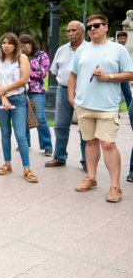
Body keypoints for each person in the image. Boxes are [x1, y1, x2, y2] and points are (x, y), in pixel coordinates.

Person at [70, 14, 133, 203]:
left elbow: (130, 74)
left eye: (96, 25)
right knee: (89, 142)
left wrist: (109, 77)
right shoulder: (82, 50)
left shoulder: (118, 49)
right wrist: (71, 97)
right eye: (89, 27)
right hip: (84, 105)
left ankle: (115, 187)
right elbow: (72, 74)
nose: (92, 29)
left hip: (107, 106)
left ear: (106, 27)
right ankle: (91, 177)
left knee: (108, 145)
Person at [0, 33, 38, 183]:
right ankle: (7, 163)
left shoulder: (21, 58)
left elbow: (24, 79)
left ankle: (27, 169)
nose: (5, 45)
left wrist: (5, 90)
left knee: (20, 135)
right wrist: (3, 96)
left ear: (15, 45)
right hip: (0, 99)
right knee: (5, 132)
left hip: (18, 99)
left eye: (9, 43)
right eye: (3, 43)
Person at [46, 21, 87, 169]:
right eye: (68, 31)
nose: (70, 33)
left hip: (84, 91)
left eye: (74, 30)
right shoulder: (61, 50)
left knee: (85, 127)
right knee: (60, 125)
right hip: (62, 90)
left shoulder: (90, 49)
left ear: (82, 31)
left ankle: (87, 161)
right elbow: (55, 71)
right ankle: (59, 156)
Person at [19, 34, 53, 157]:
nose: (24, 48)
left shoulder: (42, 55)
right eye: (21, 46)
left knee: (40, 118)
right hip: (21, 90)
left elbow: (42, 73)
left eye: (26, 45)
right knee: (22, 118)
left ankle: (47, 146)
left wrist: (25, 71)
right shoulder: (18, 57)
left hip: (36, 91)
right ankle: (25, 143)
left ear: (32, 44)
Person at [116, 31, 132, 110]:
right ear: (117, 39)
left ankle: (131, 112)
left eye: (124, 39)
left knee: (128, 94)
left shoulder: (128, 50)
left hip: (124, 77)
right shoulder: (114, 49)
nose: (122, 40)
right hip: (114, 76)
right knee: (114, 95)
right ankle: (114, 112)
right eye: (121, 38)